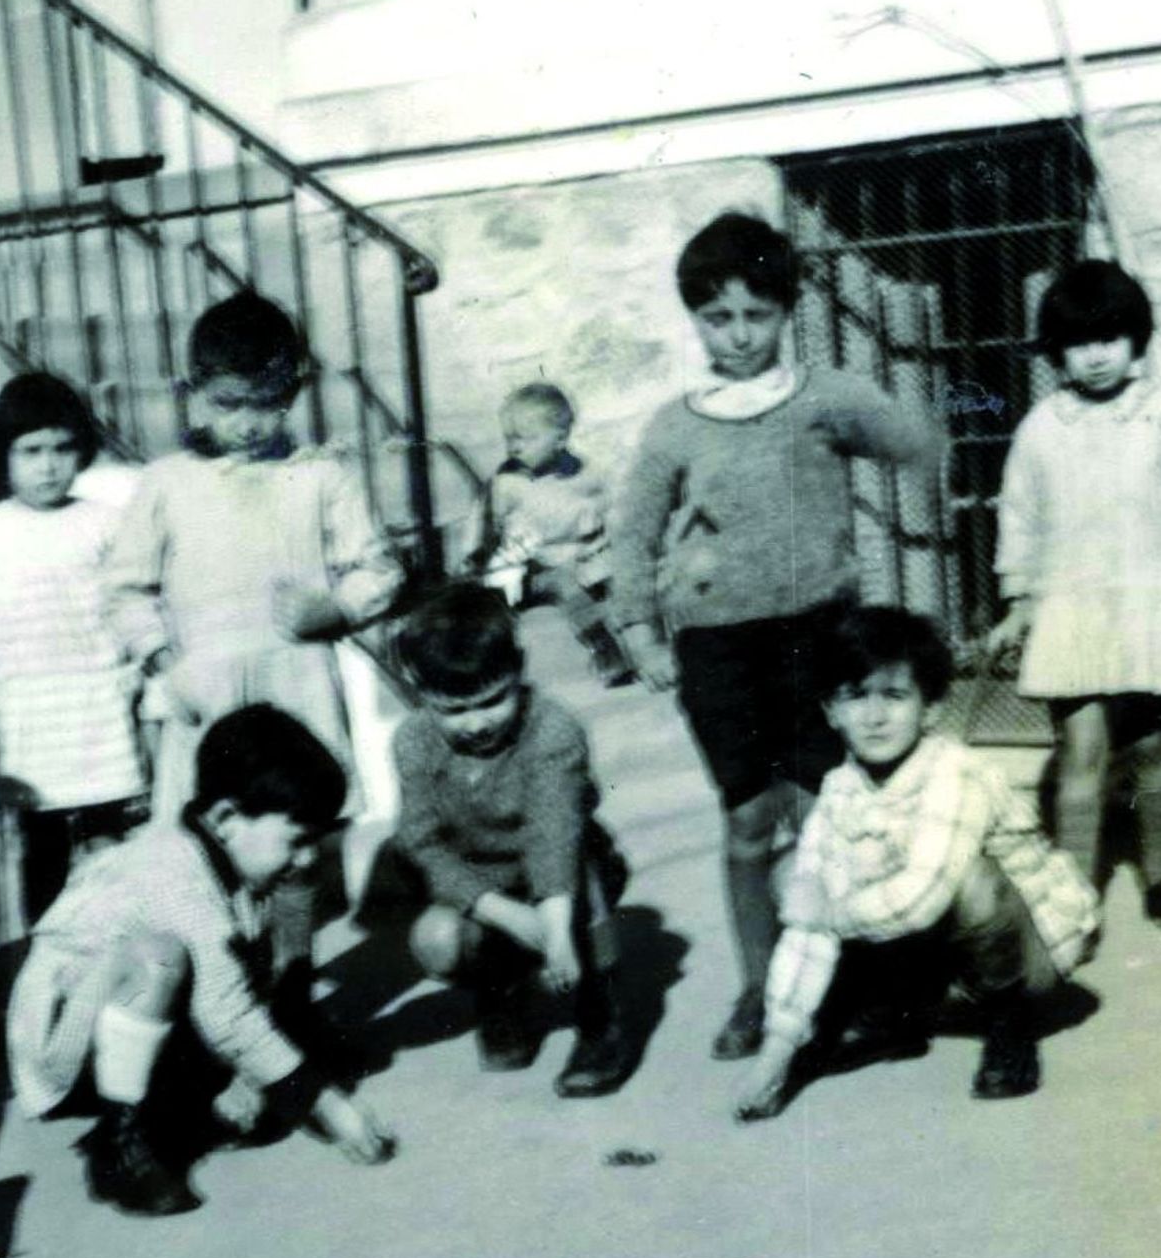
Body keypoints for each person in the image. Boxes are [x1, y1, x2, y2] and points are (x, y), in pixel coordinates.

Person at [612, 211, 940, 1061]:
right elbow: (633, 532)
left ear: (787, 310)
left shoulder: (826, 397)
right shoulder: (675, 425)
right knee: (748, 823)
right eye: (718, 317)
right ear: (695, 319)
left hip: (816, 638)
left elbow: (918, 440)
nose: (739, 334)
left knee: (827, 815)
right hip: (718, 648)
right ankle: (760, 989)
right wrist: (640, 630)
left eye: (757, 314)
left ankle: (851, 982)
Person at [105, 291, 402, 993]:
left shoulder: (320, 475)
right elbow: (124, 589)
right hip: (204, 692)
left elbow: (380, 570)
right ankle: (221, 999)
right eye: (229, 404)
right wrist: (164, 662)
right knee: (205, 846)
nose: (247, 423)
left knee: (296, 848)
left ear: (292, 392)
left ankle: (293, 988)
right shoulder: (166, 484)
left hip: (295, 684)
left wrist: (334, 608)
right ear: (195, 393)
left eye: (266, 404)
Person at [6, 704, 395, 1218]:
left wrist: (246, 1078)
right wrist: (326, 1103)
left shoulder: (228, 865)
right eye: (296, 840)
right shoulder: (174, 875)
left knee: (253, 1100)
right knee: (160, 959)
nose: (305, 859)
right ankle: (118, 1144)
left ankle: (175, 1105)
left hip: (120, 1016)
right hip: (61, 1042)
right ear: (227, 819)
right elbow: (228, 1018)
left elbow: (236, 988)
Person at [735, 607, 1097, 1120]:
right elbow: (806, 917)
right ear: (831, 711)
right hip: (938, 952)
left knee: (972, 881)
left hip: (1031, 951)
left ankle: (1010, 1028)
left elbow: (919, 901)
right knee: (796, 872)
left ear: (930, 710)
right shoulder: (840, 788)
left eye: (894, 695)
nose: (874, 716)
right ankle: (891, 1018)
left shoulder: (956, 772)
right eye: (855, 696)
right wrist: (776, 1052)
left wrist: (830, 913)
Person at [989, 260, 1161, 930]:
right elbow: (1020, 518)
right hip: (1070, 610)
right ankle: (1074, 896)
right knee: (1084, 752)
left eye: (1109, 338)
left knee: (1149, 747)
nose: (1095, 356)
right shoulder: (1042, 429)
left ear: (1135, 339)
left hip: (1145, 606)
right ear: (1057, 351)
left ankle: (1160, 873)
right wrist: (1020, 601)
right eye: (1078, 343)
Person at [391, 581, 632, 1099]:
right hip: (485, 883)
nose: (476, 723)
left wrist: (555, 928)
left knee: (584, 881)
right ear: (419, 692)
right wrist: (506, 914)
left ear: (519, 669)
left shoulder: (552, 728)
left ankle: (600, 1018)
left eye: (492, 700)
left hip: (566, 869)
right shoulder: (412, 740)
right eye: (454, 710)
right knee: (437, 938)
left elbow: (553, 831)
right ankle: (501, 995)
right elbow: (420, 843)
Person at [0, 374, 149, 927]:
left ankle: (112, 950)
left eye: (61, 449)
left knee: (110, 842)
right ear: (2, 457)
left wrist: (137, 683)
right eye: (31, 451)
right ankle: (48, 952)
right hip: (27, 717)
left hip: (99, 708)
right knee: (43, 847)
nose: (49, 466)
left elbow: (131, 606)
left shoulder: (104, 524)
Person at [466, 381, 633, 687]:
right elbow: (482, 520)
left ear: (560, 438)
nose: (514, 447)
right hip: (533, 567)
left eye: (527, 438)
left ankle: (646, 633)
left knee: (627, 576)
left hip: (583, 555)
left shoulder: (586, 472)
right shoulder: (509, 482)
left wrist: (610, 539)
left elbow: (611, 508)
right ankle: (603, 645)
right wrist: (475, 554)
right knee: (565, 586)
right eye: (509, 438)